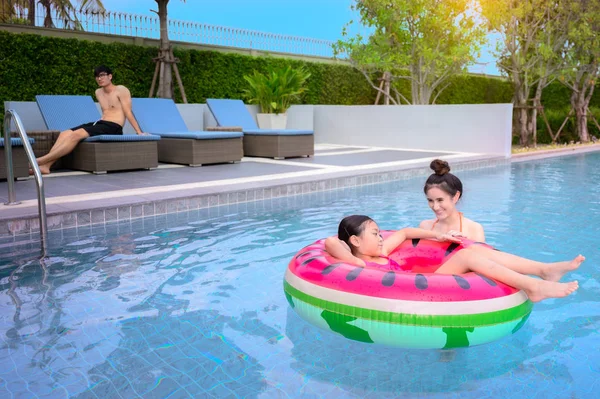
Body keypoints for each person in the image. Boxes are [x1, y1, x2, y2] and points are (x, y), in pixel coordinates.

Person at [325, 215, 583, 303]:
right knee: (469, 256)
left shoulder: (382, 252)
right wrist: (348, 250)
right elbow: (330, 242)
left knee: (477, 252)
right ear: (356, 241)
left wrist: (438, 236)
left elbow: (404, 232)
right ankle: (534, 286)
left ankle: (543, 270)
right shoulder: (358, 264)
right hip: (418, 293)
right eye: (374, 234)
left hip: (425, 282)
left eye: (380, 232)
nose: (381, 237)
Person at [34, 65, 147, 175]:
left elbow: (128, 112)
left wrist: (139, 132)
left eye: (102, 75)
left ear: (110, 76)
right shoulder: (98, 92)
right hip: (100, 123)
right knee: (65, 133)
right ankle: (46, 166)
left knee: (76, 135)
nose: (99, 78)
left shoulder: (121, 90)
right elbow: (105, 113)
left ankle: (40, 160)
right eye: (97, 76)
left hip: (114, 126)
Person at [419, 159, 485, 242]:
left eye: (440, 200)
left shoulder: (474, 230)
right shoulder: (425, 227)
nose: (435, 207)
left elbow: (482, 255)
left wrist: (465, 242)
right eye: (430, 200)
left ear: (455, 197)